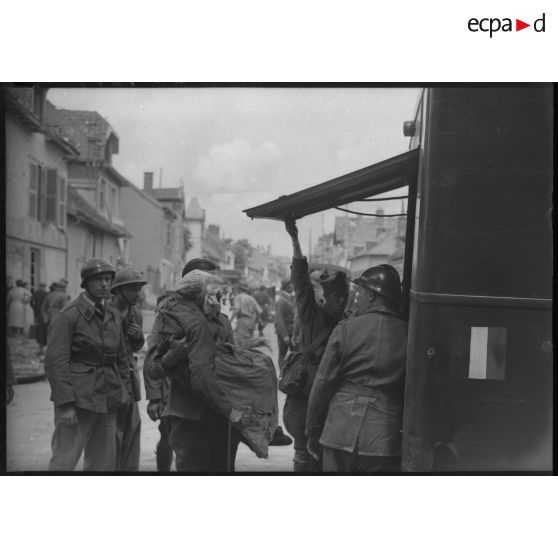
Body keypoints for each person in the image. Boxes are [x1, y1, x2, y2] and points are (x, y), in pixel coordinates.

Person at [306, 264, 408, 472]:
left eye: (360, 293)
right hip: (384, 437)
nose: (357, 298)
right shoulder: (410, 333)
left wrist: (313, 430)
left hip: (339, 431)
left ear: (371, 295)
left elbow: (322, 384)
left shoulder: (346, 328)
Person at [143, 267, 242, 472]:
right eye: (212, 293)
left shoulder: (222, 322)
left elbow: (232, 361)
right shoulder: (171, 320)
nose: (217, 299)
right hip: (186, 413)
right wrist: (174, 355)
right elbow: (153, 367)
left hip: (218, 414)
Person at [44, 258, 129, 471]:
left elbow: (121, 358)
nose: (104, 284)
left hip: (108, 398)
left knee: (103, 464)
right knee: (64, 461)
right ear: (86, 283)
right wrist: (65, 405)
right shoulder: (68, 316)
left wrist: (123, 392)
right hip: (79, 400)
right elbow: (56, 362)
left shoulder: (114, 315)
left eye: (108, 279)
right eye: (98, 279)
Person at [283, 219, 349, 472]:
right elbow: (301, 284)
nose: (339, 302)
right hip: (305, 403)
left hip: (333, 405)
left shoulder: (348, 322)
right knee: (304, 457)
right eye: (334, 297)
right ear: (325, 297)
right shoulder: (314, 319)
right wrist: (295, 241)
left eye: (343, 297)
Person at [110, 267, 147, 472]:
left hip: (130, 377)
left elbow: (136, 347)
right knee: (111, 432)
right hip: (110, 377)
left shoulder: (136, 314)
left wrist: (137, 336)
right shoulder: (104, 312)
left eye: (139, 289)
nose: (138, 294)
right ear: (117, 290)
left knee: (132, 427)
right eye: (132, 289)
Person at [230, 282, 262, 347]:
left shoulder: (238, 297)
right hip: (251, 321)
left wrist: (230, 320)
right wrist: (255, 322)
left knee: (241, 343)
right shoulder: (251, 298)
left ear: (239, 289)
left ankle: (261, 342)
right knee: (249, 342)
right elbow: (259, 311)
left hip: (242, 321)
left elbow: (237, 309)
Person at [274, 279, 295, 368]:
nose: (292, 287)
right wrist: (285, 335)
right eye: (290, 285)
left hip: (293, 332)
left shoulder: (293, 299)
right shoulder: (281, 301)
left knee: (296, 354)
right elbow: (279, 320)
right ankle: (282, 372)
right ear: (286, 287)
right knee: (282, 353)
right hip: (284, 332)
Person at [31, 283, 48, 354]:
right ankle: (43, 344)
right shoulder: (47, 293)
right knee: (44, 329)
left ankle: (40, 343)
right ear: (44, 286)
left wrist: (35, 308)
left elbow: (31, 302)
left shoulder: (36, 293)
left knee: (39, 328)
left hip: (38, 312)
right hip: (45, 313)